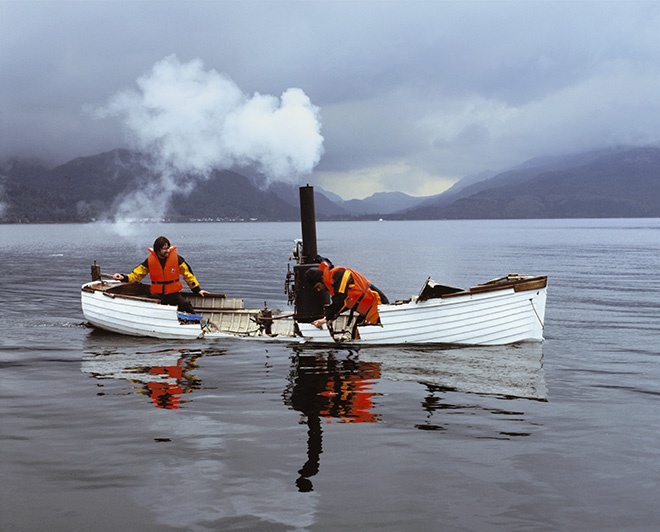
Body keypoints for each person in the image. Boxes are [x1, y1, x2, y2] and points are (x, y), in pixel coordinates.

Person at [112, 236, 209, 314]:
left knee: (186, 304)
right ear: (158, 250)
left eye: (168, 247)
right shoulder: (150, 261)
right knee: (149, 305)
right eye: (164, 248)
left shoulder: (177, 259)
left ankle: (197, 323)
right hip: (157, 294)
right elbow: (137, 275)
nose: (167, 250)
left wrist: (197, 290)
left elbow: (188, 275)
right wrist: (123, 277)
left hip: (173, 294)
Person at [305, 259, 389, 335]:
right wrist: (330, 318)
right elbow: (344, 304)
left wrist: (326, 318)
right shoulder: (333, 285)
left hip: (377, 305)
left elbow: (340, 300)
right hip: (366, 311)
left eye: (318, 287)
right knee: (355, 336)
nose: (318, 290)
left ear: (322, 279)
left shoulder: (340, 275)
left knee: (363, 337)